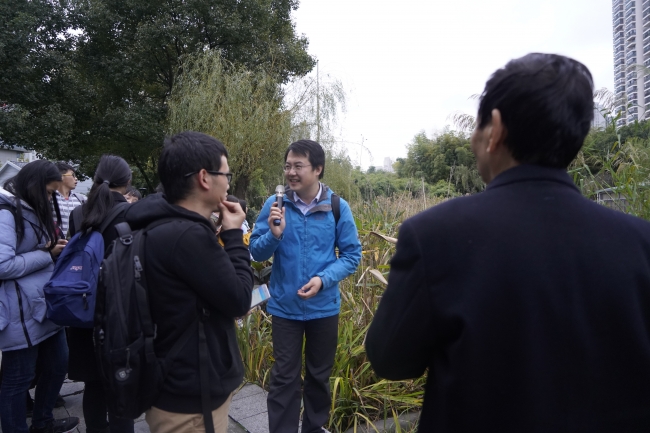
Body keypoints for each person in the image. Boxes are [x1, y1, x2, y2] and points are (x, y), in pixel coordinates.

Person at [365, 53, 650, 432]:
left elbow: (390, 360)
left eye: (477, 125)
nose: (473, 139)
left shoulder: (434, 235)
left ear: (495, 129)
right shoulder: (640, 242)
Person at [124, 131, 252, 432]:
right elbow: (239, 299)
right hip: (192, 401)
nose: (229, 183)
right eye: (226, 174)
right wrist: (234, 236)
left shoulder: (157, 224)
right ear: (205, 178)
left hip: (171, 383)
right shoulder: (187, 236)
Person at [250, 139, 362, 433]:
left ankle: (314, 428)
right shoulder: (275, 205)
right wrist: (274, 235)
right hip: (285, 307)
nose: (291, 172)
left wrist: (323, 279)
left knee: (318, 377)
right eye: (288, 166)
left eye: (298, 166)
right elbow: (256, 253)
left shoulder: (337, 207)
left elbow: (352, 256)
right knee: (283, 377)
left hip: (323, 307)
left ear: (318, 169)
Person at [0, 160, 79, 433]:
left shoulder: (32, 209)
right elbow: (2, 265)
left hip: (43, 306)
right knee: (18, 378)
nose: (50, 198)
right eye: (48, 192)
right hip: (18, 312)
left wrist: (51, 248)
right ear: (34, 185)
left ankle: (43, 422)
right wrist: (45, 253)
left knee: (58, 365)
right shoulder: (7, 213)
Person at [67, 155, 134, 433]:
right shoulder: (130, 215)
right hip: (120, 313)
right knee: (121, 387)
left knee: (93, 385)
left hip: (83, 308)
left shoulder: (78, 214)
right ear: (127, 181)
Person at [52, 162, 86, 238]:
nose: (76, 178)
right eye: (73, 175)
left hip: (75, 243)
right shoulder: (51, 198)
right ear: (61, 176)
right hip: (55, 243)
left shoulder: (81, 199)